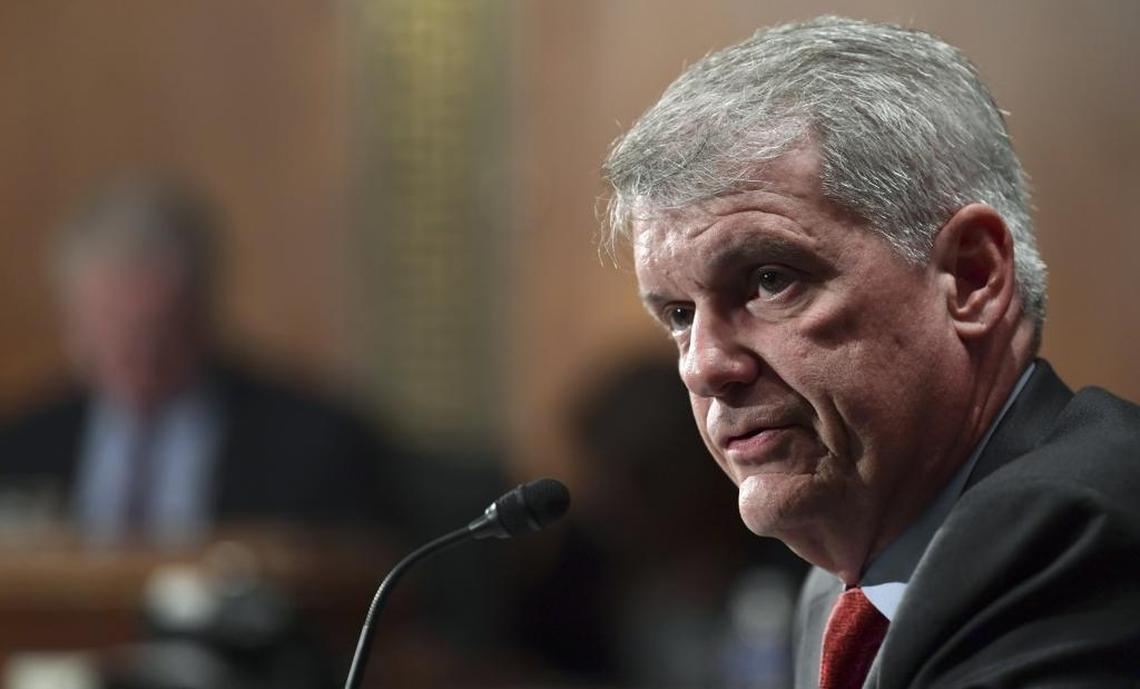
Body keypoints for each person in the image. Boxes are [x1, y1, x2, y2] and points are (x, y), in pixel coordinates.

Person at [602, 16, 1139, 689]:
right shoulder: (835, 589)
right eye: (679, 314)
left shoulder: (1073, 533)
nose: (703, 365)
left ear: (972, 277)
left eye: (771, 280)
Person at [0, 175, 395, 547]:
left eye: (156, 328)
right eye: (110, 326)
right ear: (71, 322)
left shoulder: (315, 446)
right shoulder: (18, 449)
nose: (137, 352)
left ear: (202, 313)